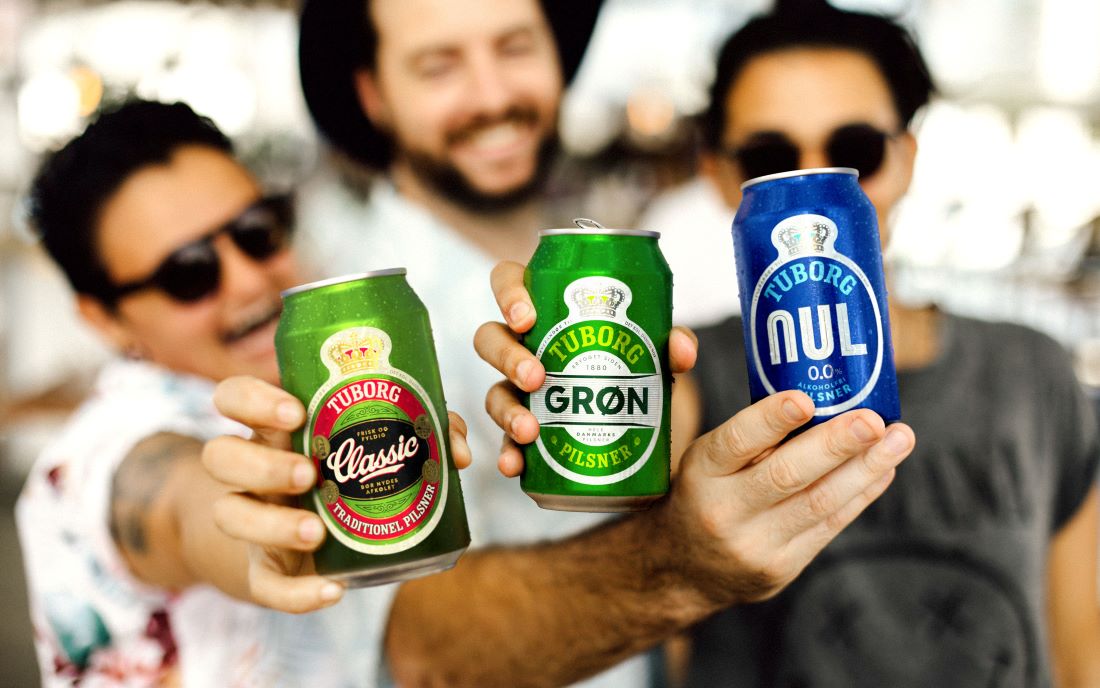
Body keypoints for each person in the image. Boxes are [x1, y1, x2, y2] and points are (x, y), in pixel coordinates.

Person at [202, 0, 916, 685]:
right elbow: (415, 654)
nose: (491, 95)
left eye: (515, 47)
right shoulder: (339, 326)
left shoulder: (601, 261)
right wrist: (679, 560)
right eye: (438, 65)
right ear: (373, 94)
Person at [478, 3, 1100, 686]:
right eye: (767, 158)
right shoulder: (685, 378)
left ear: (907, 159)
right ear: (718, 175)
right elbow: (495, 644)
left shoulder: (1032, 372)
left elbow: (1083, 654)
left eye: (856, 149)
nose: (809, 182)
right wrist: (569, 386)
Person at [14, 99, 462, 686]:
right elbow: (178, 503)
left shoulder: (325, 387)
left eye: (257, 232)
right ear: (105, 319)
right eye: (187, 272)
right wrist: (257, 535)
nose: (250, 280)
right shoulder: (99, 456)